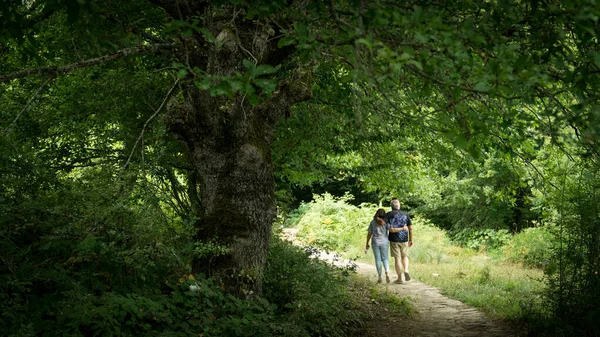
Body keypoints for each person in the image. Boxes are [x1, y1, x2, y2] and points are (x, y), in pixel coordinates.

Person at [385, 199, 413, 284]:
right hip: (404, 239)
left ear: (391, 206)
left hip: (394, 239)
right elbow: (410, 228)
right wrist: (411, 239)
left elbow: (384, 226)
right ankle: (406, 270)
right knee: (404, 256)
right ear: (399, 206)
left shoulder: (389, 214)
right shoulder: (405, 214)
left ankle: (400, 279)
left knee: (397, 258)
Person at [365, 208, 391, 283]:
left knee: (378, 260)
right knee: (385, 258)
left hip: (375, 242)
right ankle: (387, 272)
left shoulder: (373, 222)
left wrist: (367, 243)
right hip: (385, 242)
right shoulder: (385, 222)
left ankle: (380, 277)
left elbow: (369, 233)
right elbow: (390, 229)